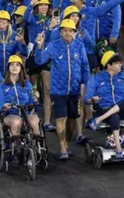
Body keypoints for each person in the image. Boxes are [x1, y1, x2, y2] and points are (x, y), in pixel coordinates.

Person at [34, 19, 91, 160]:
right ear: (60, 32)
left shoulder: (79, 46)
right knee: (60, 119)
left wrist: (86, 83)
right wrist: (39, 47)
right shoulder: (53, 46)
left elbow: (85, 66)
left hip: (75, 90)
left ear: (74, 32)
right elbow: (40, 61)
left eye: (70, 30)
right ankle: (62, 149)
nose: (67, 33)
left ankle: (66, 143)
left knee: (72, 120)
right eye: (65, 30)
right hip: (58, 91)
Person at [85, 50, 124, 158]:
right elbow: (86, 99)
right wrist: (92, 99)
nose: (120, 65)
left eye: (120, 63)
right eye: (117, 63)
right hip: (105, 108)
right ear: (109, 65)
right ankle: (118, 147)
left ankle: (98, 120)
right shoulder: (96, 78)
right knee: (114, 116)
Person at [0, 55, 40, 137]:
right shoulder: (1, 87)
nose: (14, 67)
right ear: (8, 68)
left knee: (34, 121)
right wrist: (4, 107)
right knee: (16, 121)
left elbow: (35, 107)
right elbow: (0, 107)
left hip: (27, 113)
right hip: (10, 114)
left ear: (21, 68)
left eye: (17, 65)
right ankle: (16, 146)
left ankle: (37, 146)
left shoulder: (27, 84)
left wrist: (35, 99)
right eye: (12, 65)